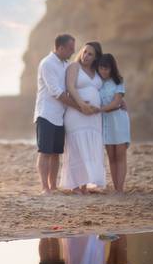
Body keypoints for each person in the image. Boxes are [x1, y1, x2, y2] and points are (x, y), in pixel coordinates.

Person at [33, 35, 95, 195]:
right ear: (60, 48)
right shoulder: (47, 64)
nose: (73, 51)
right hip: (46, 114)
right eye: (70, 48)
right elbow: (57, 93)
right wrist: (80, 106)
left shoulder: (66, 64)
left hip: (60, 116)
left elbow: (73, 86)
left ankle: (53, 186)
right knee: (45, 151)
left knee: (55, 153)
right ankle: (44, 188)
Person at [59, 42, 106, 194]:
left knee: (90, 148)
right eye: (84, 52)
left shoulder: (97, 71)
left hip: (94, 118)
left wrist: (120, 101)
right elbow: (70, 87)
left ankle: (84, 185)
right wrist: (82, 106)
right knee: (77, 147)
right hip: (77, 115)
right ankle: (74, 185)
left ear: (96, 57)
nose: (86, 56)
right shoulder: (74, 67)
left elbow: (105, 88)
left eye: (90, 54)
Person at [98, 54, 131, 193]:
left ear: (112, 68)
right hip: (106, 121)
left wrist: (99, 109)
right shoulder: (97, 82)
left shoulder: (118, 81)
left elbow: (117, 102)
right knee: (111, 156)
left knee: (120, 155)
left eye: (106, 68)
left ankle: (120, 189)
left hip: (118, 119)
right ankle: (116, 186)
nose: (104, 71)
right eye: (101, 68)